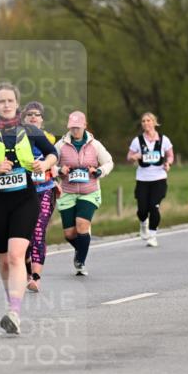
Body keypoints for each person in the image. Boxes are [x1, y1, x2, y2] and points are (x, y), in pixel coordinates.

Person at [0, 83, 58, 333]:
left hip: (25, 201)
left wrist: (44, 164)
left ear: (17, 104)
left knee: (17, 255)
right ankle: (12, 305)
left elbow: (53, 153)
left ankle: (14, 313)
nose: (6, 105)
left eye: (10, 100)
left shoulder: (30, 131)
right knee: (5, 260)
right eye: (1, 101)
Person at [56, 111, 114, 274]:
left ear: (84, 126)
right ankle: (81, 248)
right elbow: (49, 163)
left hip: (89, 191)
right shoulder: (60, 145)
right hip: (67, 192)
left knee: (82, 225)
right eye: (72, 127)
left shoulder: (95, 145)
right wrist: (60, 170)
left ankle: (80, 261)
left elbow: (109, 162)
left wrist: (99, 171)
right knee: (69, 234)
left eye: (78, 127)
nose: (75, 130)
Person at [20, 101, 56, 293]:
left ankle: (36, 277)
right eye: (29, 114)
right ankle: (27, 272)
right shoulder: (16, 139)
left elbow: (56, 160)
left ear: (42, 119)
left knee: (38, 231)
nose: (33, 117)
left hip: (45, 190)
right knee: (23, 236)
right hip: (23, 193)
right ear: (23, 118)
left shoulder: (49, 139)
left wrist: (53, 173)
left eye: (37, 114)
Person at [128, 112, 174, 248]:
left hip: (159, 178)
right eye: (143, 121)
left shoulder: (164, 140)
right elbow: (129, 157)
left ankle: (153, 236)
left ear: (154, 122)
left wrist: (168, 164)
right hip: (142, 179)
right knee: (142, 210)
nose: (146, 123)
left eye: (148, 120)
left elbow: (170, 155)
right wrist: (134, 156)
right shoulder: (137, 141)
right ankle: (143, 224)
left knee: (154, 207)